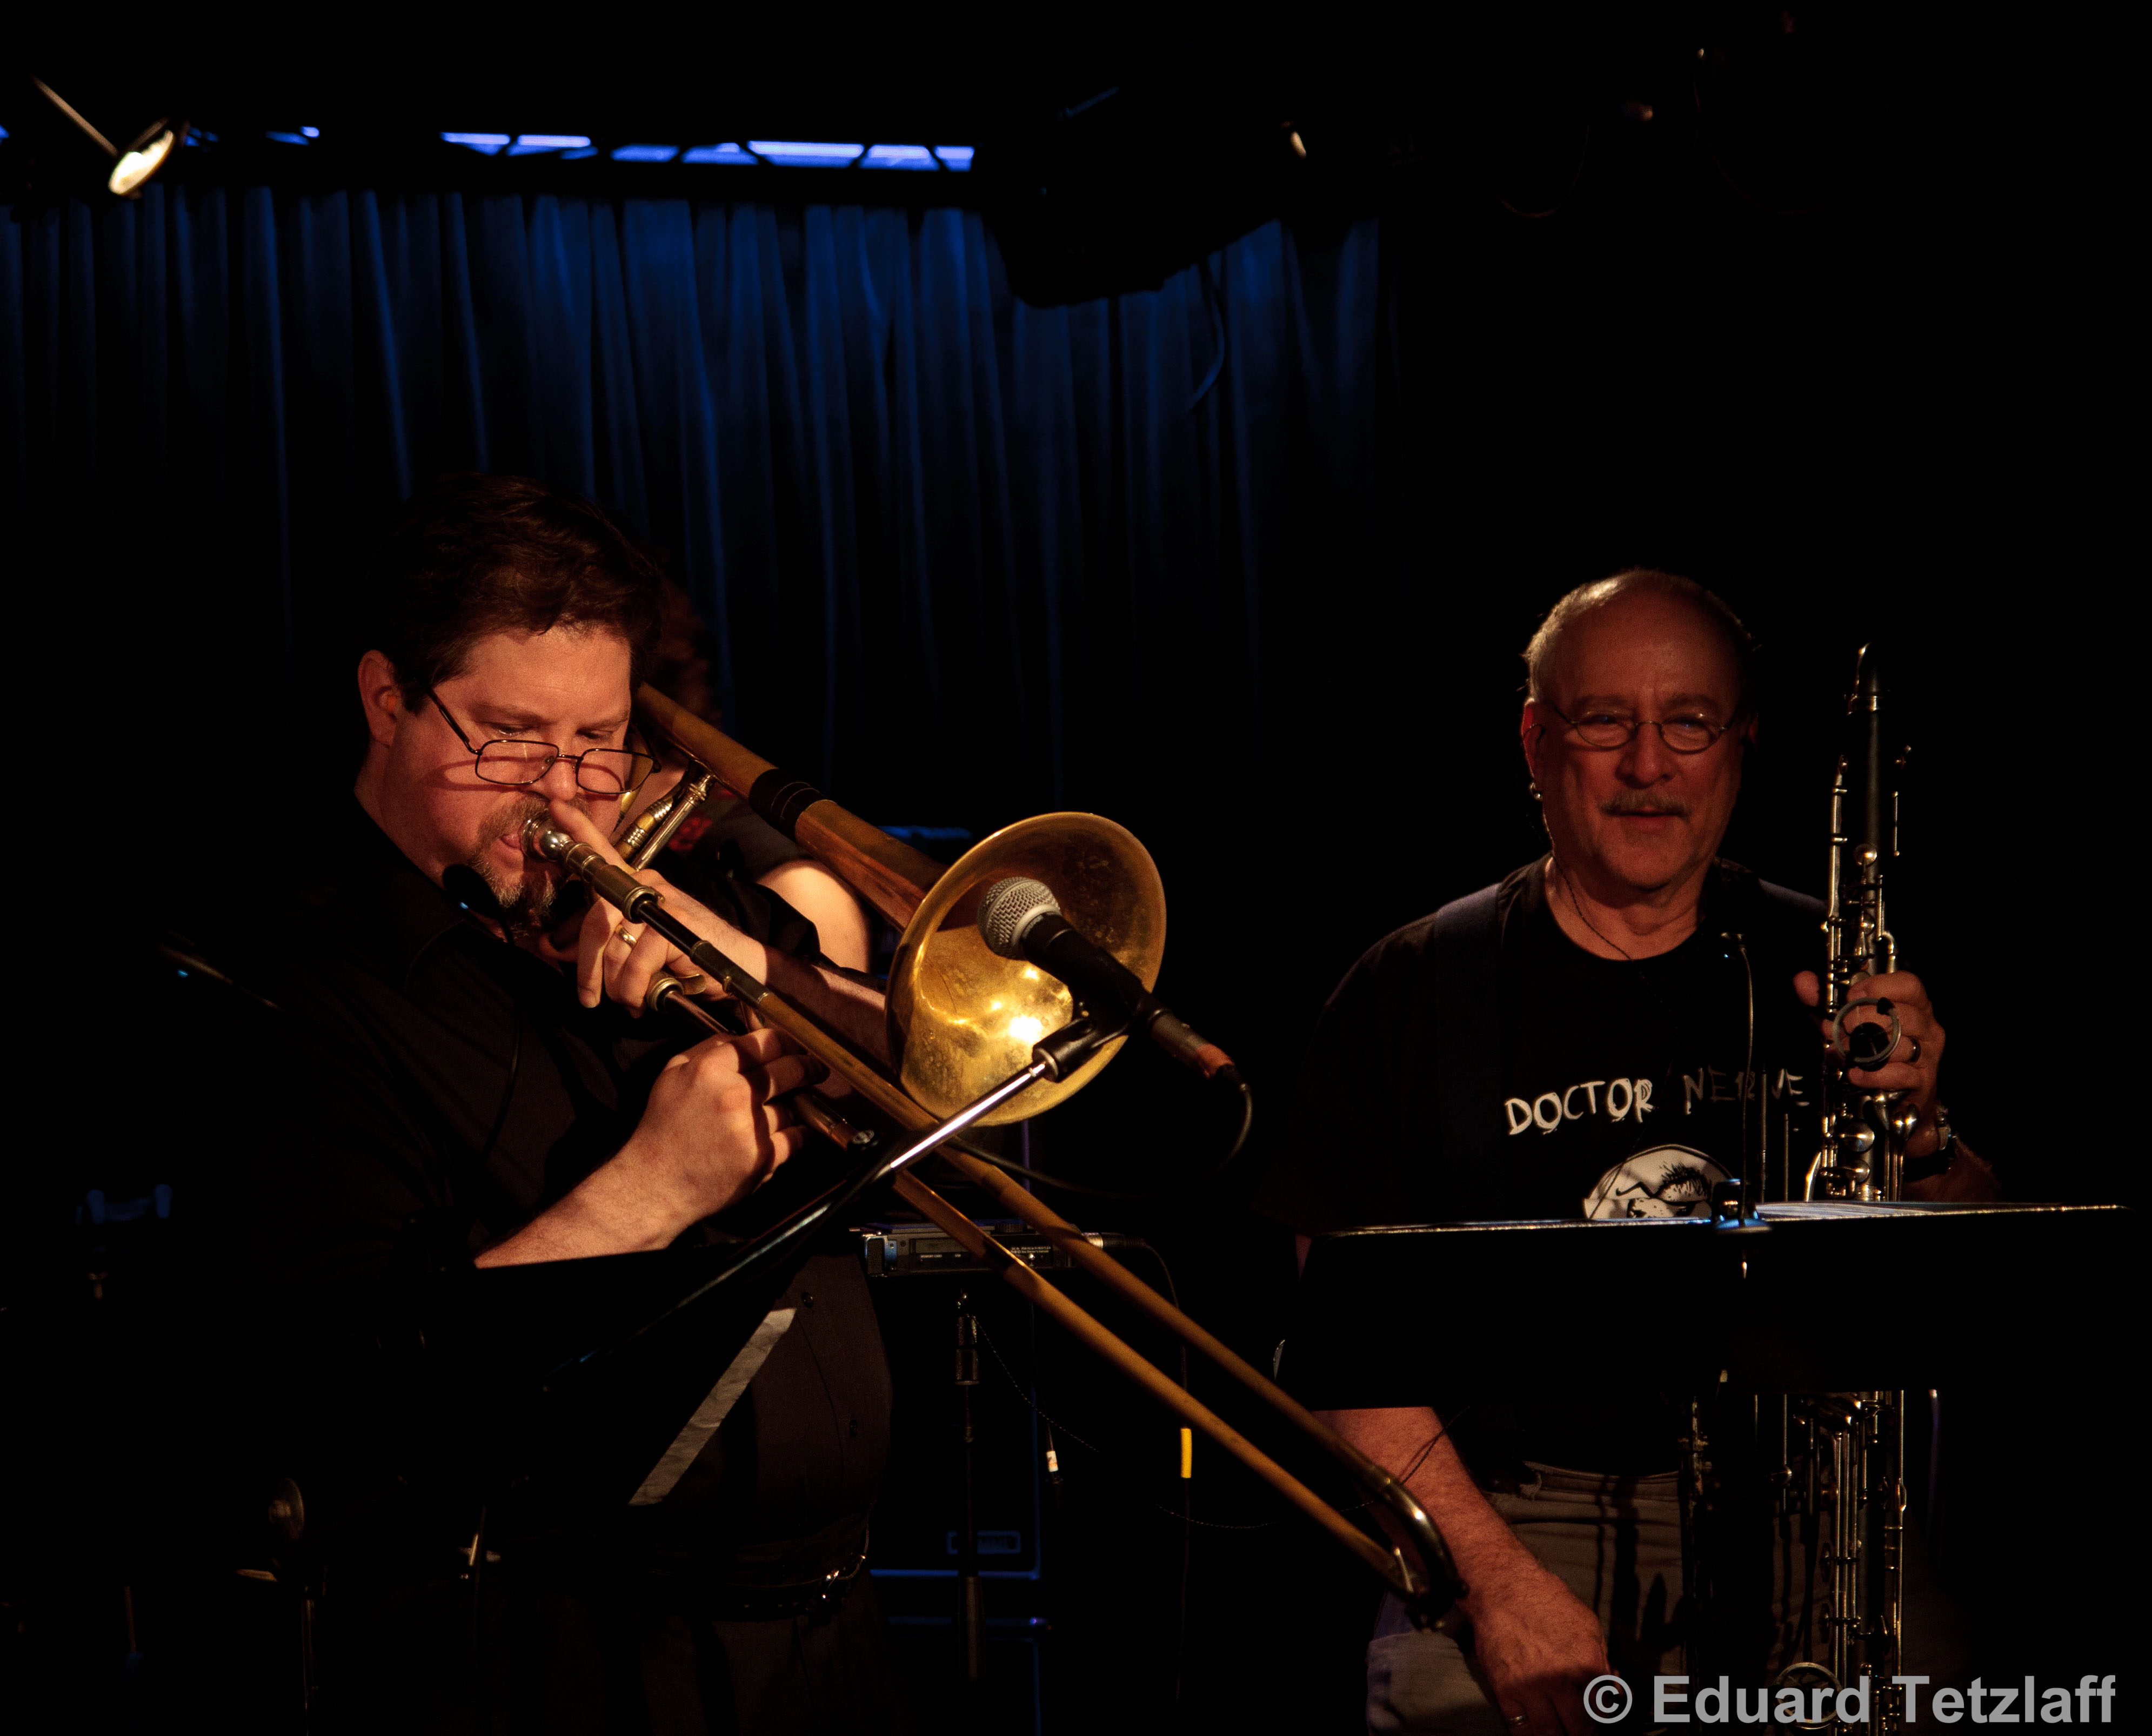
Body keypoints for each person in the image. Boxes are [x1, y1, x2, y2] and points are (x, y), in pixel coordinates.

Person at [1253, 569, 1997, 1735]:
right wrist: (1494, 1587)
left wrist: (1921, 1132)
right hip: (1510, 1515)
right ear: (1535, 743)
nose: (1648, 765)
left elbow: (1966, 1279)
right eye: (1604, 720)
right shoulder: (1410, 988)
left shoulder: (1838, 965)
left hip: (1802, 1511)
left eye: (1688, 722)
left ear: (1740, 745)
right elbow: (1351, 1356)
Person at [226, 473, 910, 1733]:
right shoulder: (299, 994)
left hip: (833, 1650)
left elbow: (967, 1082)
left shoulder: (682, 907)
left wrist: (750, 963)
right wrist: (652, 1191)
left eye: (597, 742)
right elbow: (343, 1409)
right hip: (560, 1663)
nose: (562, 793)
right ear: (386, 700)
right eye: (510, 737)